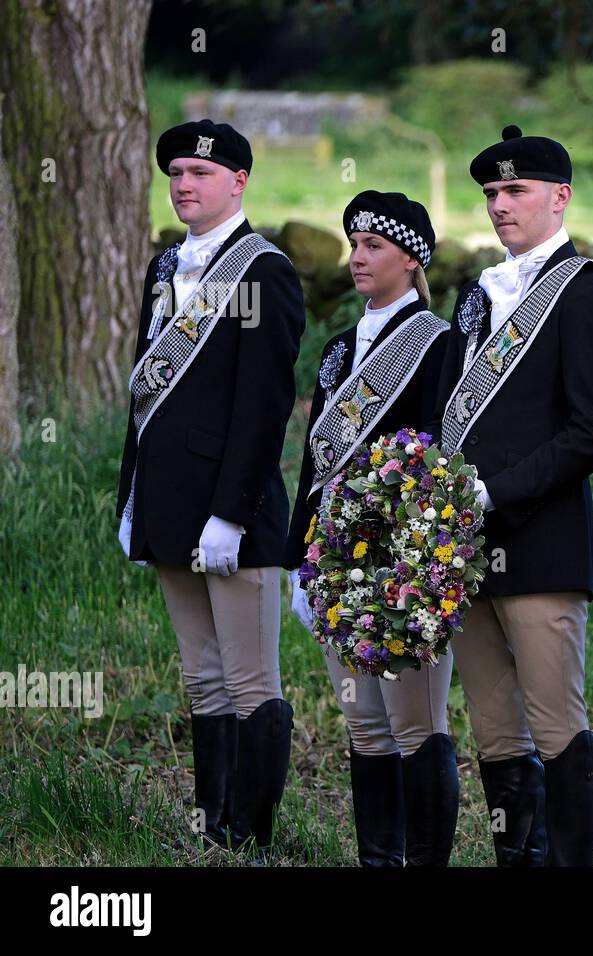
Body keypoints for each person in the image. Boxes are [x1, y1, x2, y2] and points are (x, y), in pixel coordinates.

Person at [427, 125, 593, 866]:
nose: (500, 206)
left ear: (560, 197)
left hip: (541, 544)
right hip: (467, 546)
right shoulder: (480, 293)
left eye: (515, 190)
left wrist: (494, 492)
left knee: (554, 727)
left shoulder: (586, 289)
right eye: (490, 193)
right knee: (494, 731)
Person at [115, 119, 305, 853]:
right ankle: (213, 827)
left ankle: (253, 839)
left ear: (239, 181)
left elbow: (264, 409)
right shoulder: (165, 269)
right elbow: (143, 403)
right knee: (203, 679)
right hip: (168, 509)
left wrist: (230, 514)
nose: (185, 184)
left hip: (237, 518)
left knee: (252, 684)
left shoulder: (265, 271)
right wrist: (132, 498)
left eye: (200, 172)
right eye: (177, 173)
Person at [283, 190, 456, 866]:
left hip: (403, 561)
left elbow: (442, 456)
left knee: (415, 725)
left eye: (373, 246)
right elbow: (313, 462)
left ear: (411, 258)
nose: (356, 257)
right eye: (353, 243)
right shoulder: (337, 349)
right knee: (364, 725)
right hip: (334, 559)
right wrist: (300, 557)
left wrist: (421, 568)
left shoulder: (439, 345)